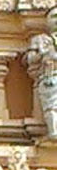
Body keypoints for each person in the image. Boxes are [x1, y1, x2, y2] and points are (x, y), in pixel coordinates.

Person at [26, 7, 57, 141]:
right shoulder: (40, 40)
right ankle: (54, 131)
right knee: (51, 104)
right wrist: (43, 54)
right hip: (50, 75)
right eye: (54, 16)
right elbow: (30, 59)